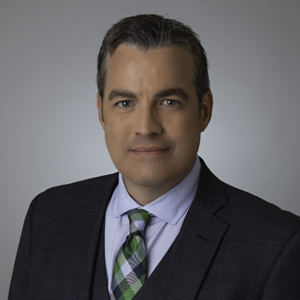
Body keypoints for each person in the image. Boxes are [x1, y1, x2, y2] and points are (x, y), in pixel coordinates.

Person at [8, 14, 300, 300]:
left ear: (204, 110)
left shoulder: (278, 244)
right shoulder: (46, 216)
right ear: (101, 112)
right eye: (125, 102)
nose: (146, 127)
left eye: (169, 101)